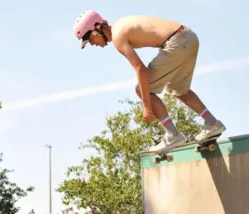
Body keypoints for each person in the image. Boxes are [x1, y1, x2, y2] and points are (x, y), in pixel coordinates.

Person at [73, 10, 226, 152]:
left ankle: (173, 135)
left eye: (90, 38)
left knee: (141, 89)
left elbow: (141, 71)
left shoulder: (118, 37)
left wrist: (146, 106)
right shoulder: (121, 24)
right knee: (178, 91)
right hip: (189, 37)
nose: (92, 43)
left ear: (97, 28)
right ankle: (212, 124)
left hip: (176, 43)